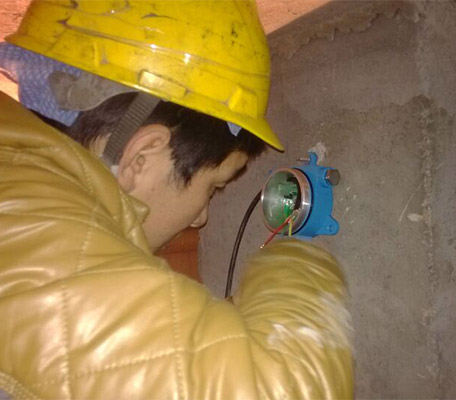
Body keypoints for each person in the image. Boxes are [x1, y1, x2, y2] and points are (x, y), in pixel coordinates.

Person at [0, 1, 353, 398]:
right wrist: (297, 260)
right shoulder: (41, 244)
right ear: (141, 158)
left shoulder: (22, 204)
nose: (201, 218)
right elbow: (286, 388)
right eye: (213, 187)